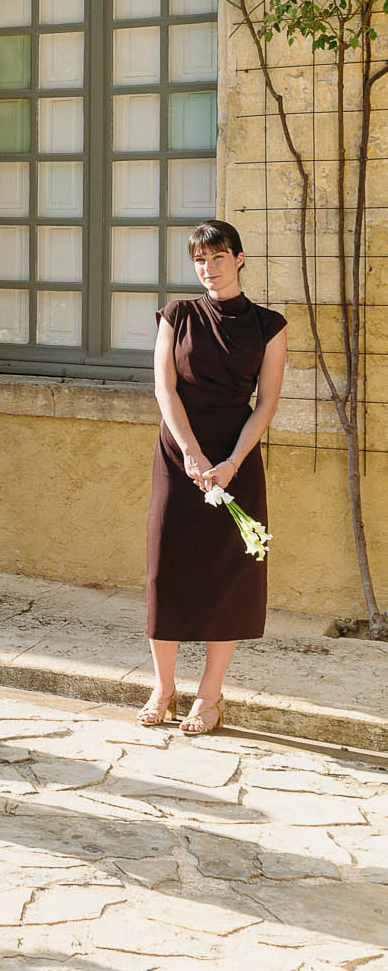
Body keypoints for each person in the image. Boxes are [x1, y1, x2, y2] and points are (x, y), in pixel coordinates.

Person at [143, 219, 287, 735]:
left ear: (240, 258)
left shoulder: (269, 325)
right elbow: (164, 389)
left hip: (236, 457)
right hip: (179, 452)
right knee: (166, 566)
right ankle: (163, 686)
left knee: (228, 574)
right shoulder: (177, 315)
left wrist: (230, 462)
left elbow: (266, 402)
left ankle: (210, 694)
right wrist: (191, 454)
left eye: (218, 257)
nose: (208, 269)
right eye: (200, 260)